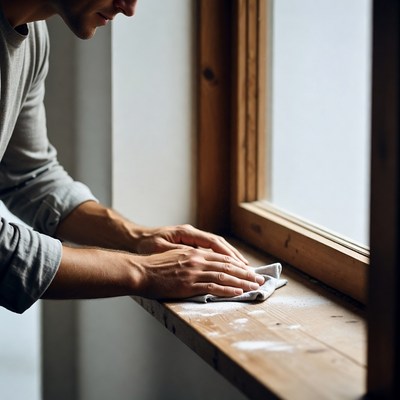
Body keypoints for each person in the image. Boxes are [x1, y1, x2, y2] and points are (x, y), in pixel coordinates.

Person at [0, 0, 264, 314]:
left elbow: (30, 177)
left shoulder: (34, 38)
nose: (129, 8)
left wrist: (138, 237)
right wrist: (143, 271)